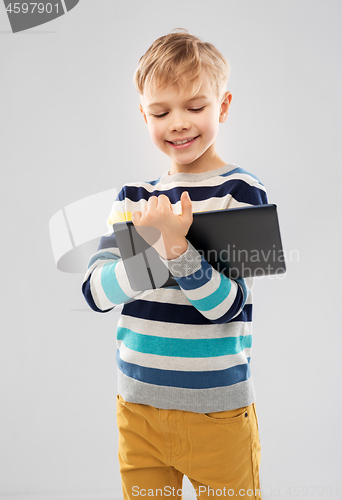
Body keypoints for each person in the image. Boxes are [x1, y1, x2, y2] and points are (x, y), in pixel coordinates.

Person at [82, 28, 268, 500]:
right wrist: (153, 249)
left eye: (196, 107)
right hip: (138, 409)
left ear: (223, 107)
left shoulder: (242, 194)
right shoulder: (133, 200)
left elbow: (227, 307)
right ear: (143, 114)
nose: (179, 123)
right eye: (162, 112)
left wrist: (178, 250)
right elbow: (96, 293)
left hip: (217, 415)